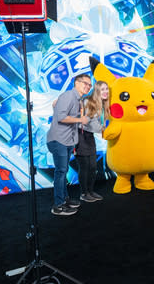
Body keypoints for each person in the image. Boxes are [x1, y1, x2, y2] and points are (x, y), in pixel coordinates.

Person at [47, 74, 91, 216]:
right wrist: (80, 119)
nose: (88, 87)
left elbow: (57, 108)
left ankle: (64, 200)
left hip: (66, 141)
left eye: (89, 85)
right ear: (76, 83)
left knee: (63, 171)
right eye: (85, 83)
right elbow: (61, 117)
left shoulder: (77, 100)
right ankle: (58, 206)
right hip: (58, 140)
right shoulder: (68, 96)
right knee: (61, 172)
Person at [76, 80, 109, 202]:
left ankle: (90, 191)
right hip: (81, 136)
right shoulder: (88, 101)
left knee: (93, 166)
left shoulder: (102, 104)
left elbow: (97, 125)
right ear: (97, 91)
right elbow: (86, 123)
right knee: (85, 167)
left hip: (89, 137)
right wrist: (103, 130)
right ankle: (84, 193)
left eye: (106, 89)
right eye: (102, 89)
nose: (105, 91)